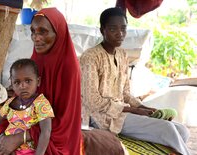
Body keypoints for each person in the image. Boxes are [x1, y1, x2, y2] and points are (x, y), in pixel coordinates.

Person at [0, 7, 125, 155]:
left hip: (54, 132)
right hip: (31, 122)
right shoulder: (36, 59)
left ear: (58, 33)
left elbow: (63, 121)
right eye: (33, 31)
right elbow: (25, 101)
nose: (36, 37)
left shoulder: (68, 67)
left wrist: (20, 137)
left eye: (43, 31)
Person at [80, 7, 190, 155]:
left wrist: (144, 108)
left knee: (183, 131)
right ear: (102, 30)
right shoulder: (90, 57)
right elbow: (92, 100)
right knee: (168, 130)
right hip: (101, 116)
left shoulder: (122, 55)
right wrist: (133, 110)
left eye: (123, 29)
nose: (120, 34)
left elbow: (125, 93)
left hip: (122, 112)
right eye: (113, 29)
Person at [0, 58, 54, 155]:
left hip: (27, 151)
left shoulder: (41, 103)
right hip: (4, 148)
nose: (22, 86)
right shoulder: (10, 102)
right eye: (17, 82)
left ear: (38, 81)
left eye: (28, 81)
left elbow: (46, 131)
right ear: (11, 84)